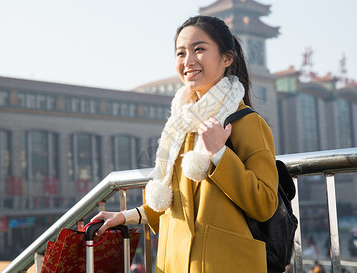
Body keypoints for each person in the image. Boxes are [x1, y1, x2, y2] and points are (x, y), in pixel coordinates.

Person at [91, 15, 279, 272]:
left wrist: (219, 154)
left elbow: (265, 203)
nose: (188, 61)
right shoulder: (179, 125)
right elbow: (174, 205)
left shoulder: (245, 122)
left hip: (225, 264)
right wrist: (125, 216)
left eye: (199, 49)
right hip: (174, 264)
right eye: (181, 53)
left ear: (227, 58)